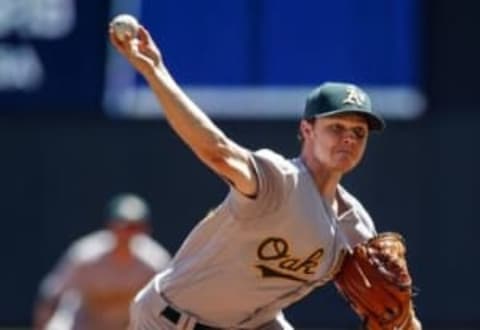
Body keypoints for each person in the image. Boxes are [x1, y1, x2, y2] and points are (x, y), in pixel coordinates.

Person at [109, 22, 419, 330]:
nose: (349, 138)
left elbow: (396, 313)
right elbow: (217, 150)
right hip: (172, 319)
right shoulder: (279, 181)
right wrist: (155, 70)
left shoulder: (356, 227)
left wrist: (405, 321)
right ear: (307, 130)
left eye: (358, 132)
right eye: (336, 127)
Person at [33, 193, 171, 330]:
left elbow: (169, 305)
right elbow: (51, 294)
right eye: (124, 225)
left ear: (145, 229)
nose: (128, 233)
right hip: (82, 324)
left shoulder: (155, 261)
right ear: (111, 225)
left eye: (135, 227)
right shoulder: (86, 255)